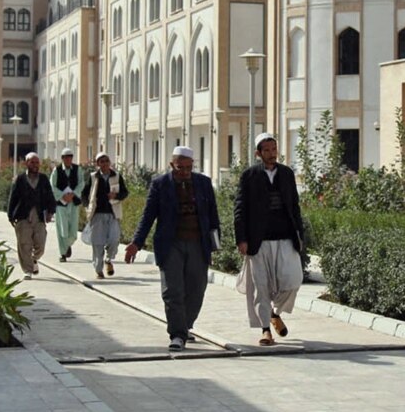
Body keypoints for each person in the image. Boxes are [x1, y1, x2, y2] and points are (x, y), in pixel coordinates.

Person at [125, 147, 220, 352]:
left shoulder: (203, 183)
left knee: (196, 289)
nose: (184, 171)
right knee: (173, 290)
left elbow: (213, 215)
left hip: (197, 243)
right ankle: (177, 334)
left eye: (188, 167)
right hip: (171, 245)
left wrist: (215, 243)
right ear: (171, 165)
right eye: (180, 168)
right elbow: (148, 215)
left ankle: (185, 325)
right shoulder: (161, 185)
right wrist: (136, 243)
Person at [234, 133, 305, 347]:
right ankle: (265, 329)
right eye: (267, 150)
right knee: (261, 287)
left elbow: (294, 206)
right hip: (259, 240)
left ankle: (274, 313)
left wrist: (300, 235)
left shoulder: (286, 174)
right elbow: (239, 209)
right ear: (258, 153)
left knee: (293, 281)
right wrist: (241, 239)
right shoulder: (249, 176)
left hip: (285, 237)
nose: (272, 154)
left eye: (274, 150)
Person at [7, 152, 56, 280]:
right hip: (23, 216)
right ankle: (27, 270)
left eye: (37, 162)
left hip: (39, 216)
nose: (35, 165)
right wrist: (10, 216)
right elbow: (13, 198)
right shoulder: (20, 179)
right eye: (32, 162)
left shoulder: (44, 179)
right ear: (26, 163)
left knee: (40, 244)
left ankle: (34, 259)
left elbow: (50, 196)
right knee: (24, 244)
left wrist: (51, 211)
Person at [81, 152, 128, 279]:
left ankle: (109, 260)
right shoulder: (93, 177)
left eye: (107, 161)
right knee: (97, 243)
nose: (105, 164)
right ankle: (98, 269)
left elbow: (125, 192)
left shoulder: (117, 176)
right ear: (98, 164)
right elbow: (84, 194)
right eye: (102, 161)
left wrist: (116, 196)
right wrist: (87, 206)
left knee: (114, 240)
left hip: (113, 214)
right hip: (97, 214)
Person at [50, 147, 84, 262]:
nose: (69, 159)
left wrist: (73, 194)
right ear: (62, 158)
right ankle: (63, 253)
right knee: (62, 228)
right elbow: (52, 185)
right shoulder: (57, 170)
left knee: (73, 230)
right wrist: (62, 195)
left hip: (73, 202)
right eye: (66, 157)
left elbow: (81, 183)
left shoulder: (77, 169)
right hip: (61, 203)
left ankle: (68, 244)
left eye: (70, 157)